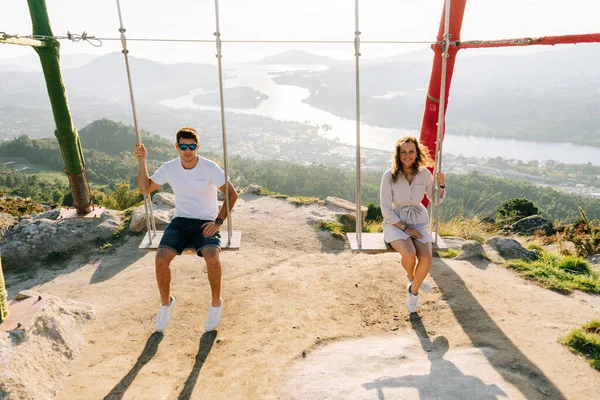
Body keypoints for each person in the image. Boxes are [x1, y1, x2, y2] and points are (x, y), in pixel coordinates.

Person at [134, 127, 238, 333]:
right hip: (180, 221)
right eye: (183, 146)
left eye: (192, 146)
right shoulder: (170, 168)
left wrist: (218, 221)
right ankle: (166, 303)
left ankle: (216, 303)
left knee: (212, 258)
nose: (188, 151)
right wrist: (142, 161)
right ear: (177, 147)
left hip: (205, 221)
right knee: (161, 258)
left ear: (197, 146)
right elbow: (144, 189)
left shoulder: (210, 168)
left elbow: (232, 194)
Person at [380, 136, 445, 313]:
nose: (407, 155)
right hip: (395, 221)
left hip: (418, 220)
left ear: (417, 153)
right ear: (398, 155)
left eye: (411, 151)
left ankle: (413, 291)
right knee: (409, 253)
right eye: (403, 152)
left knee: (426, 258)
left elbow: (436, 200)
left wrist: (441, 185)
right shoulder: (389, 176)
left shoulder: (425, 174)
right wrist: (405, 228)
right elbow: (386, 209)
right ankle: (412, 277)